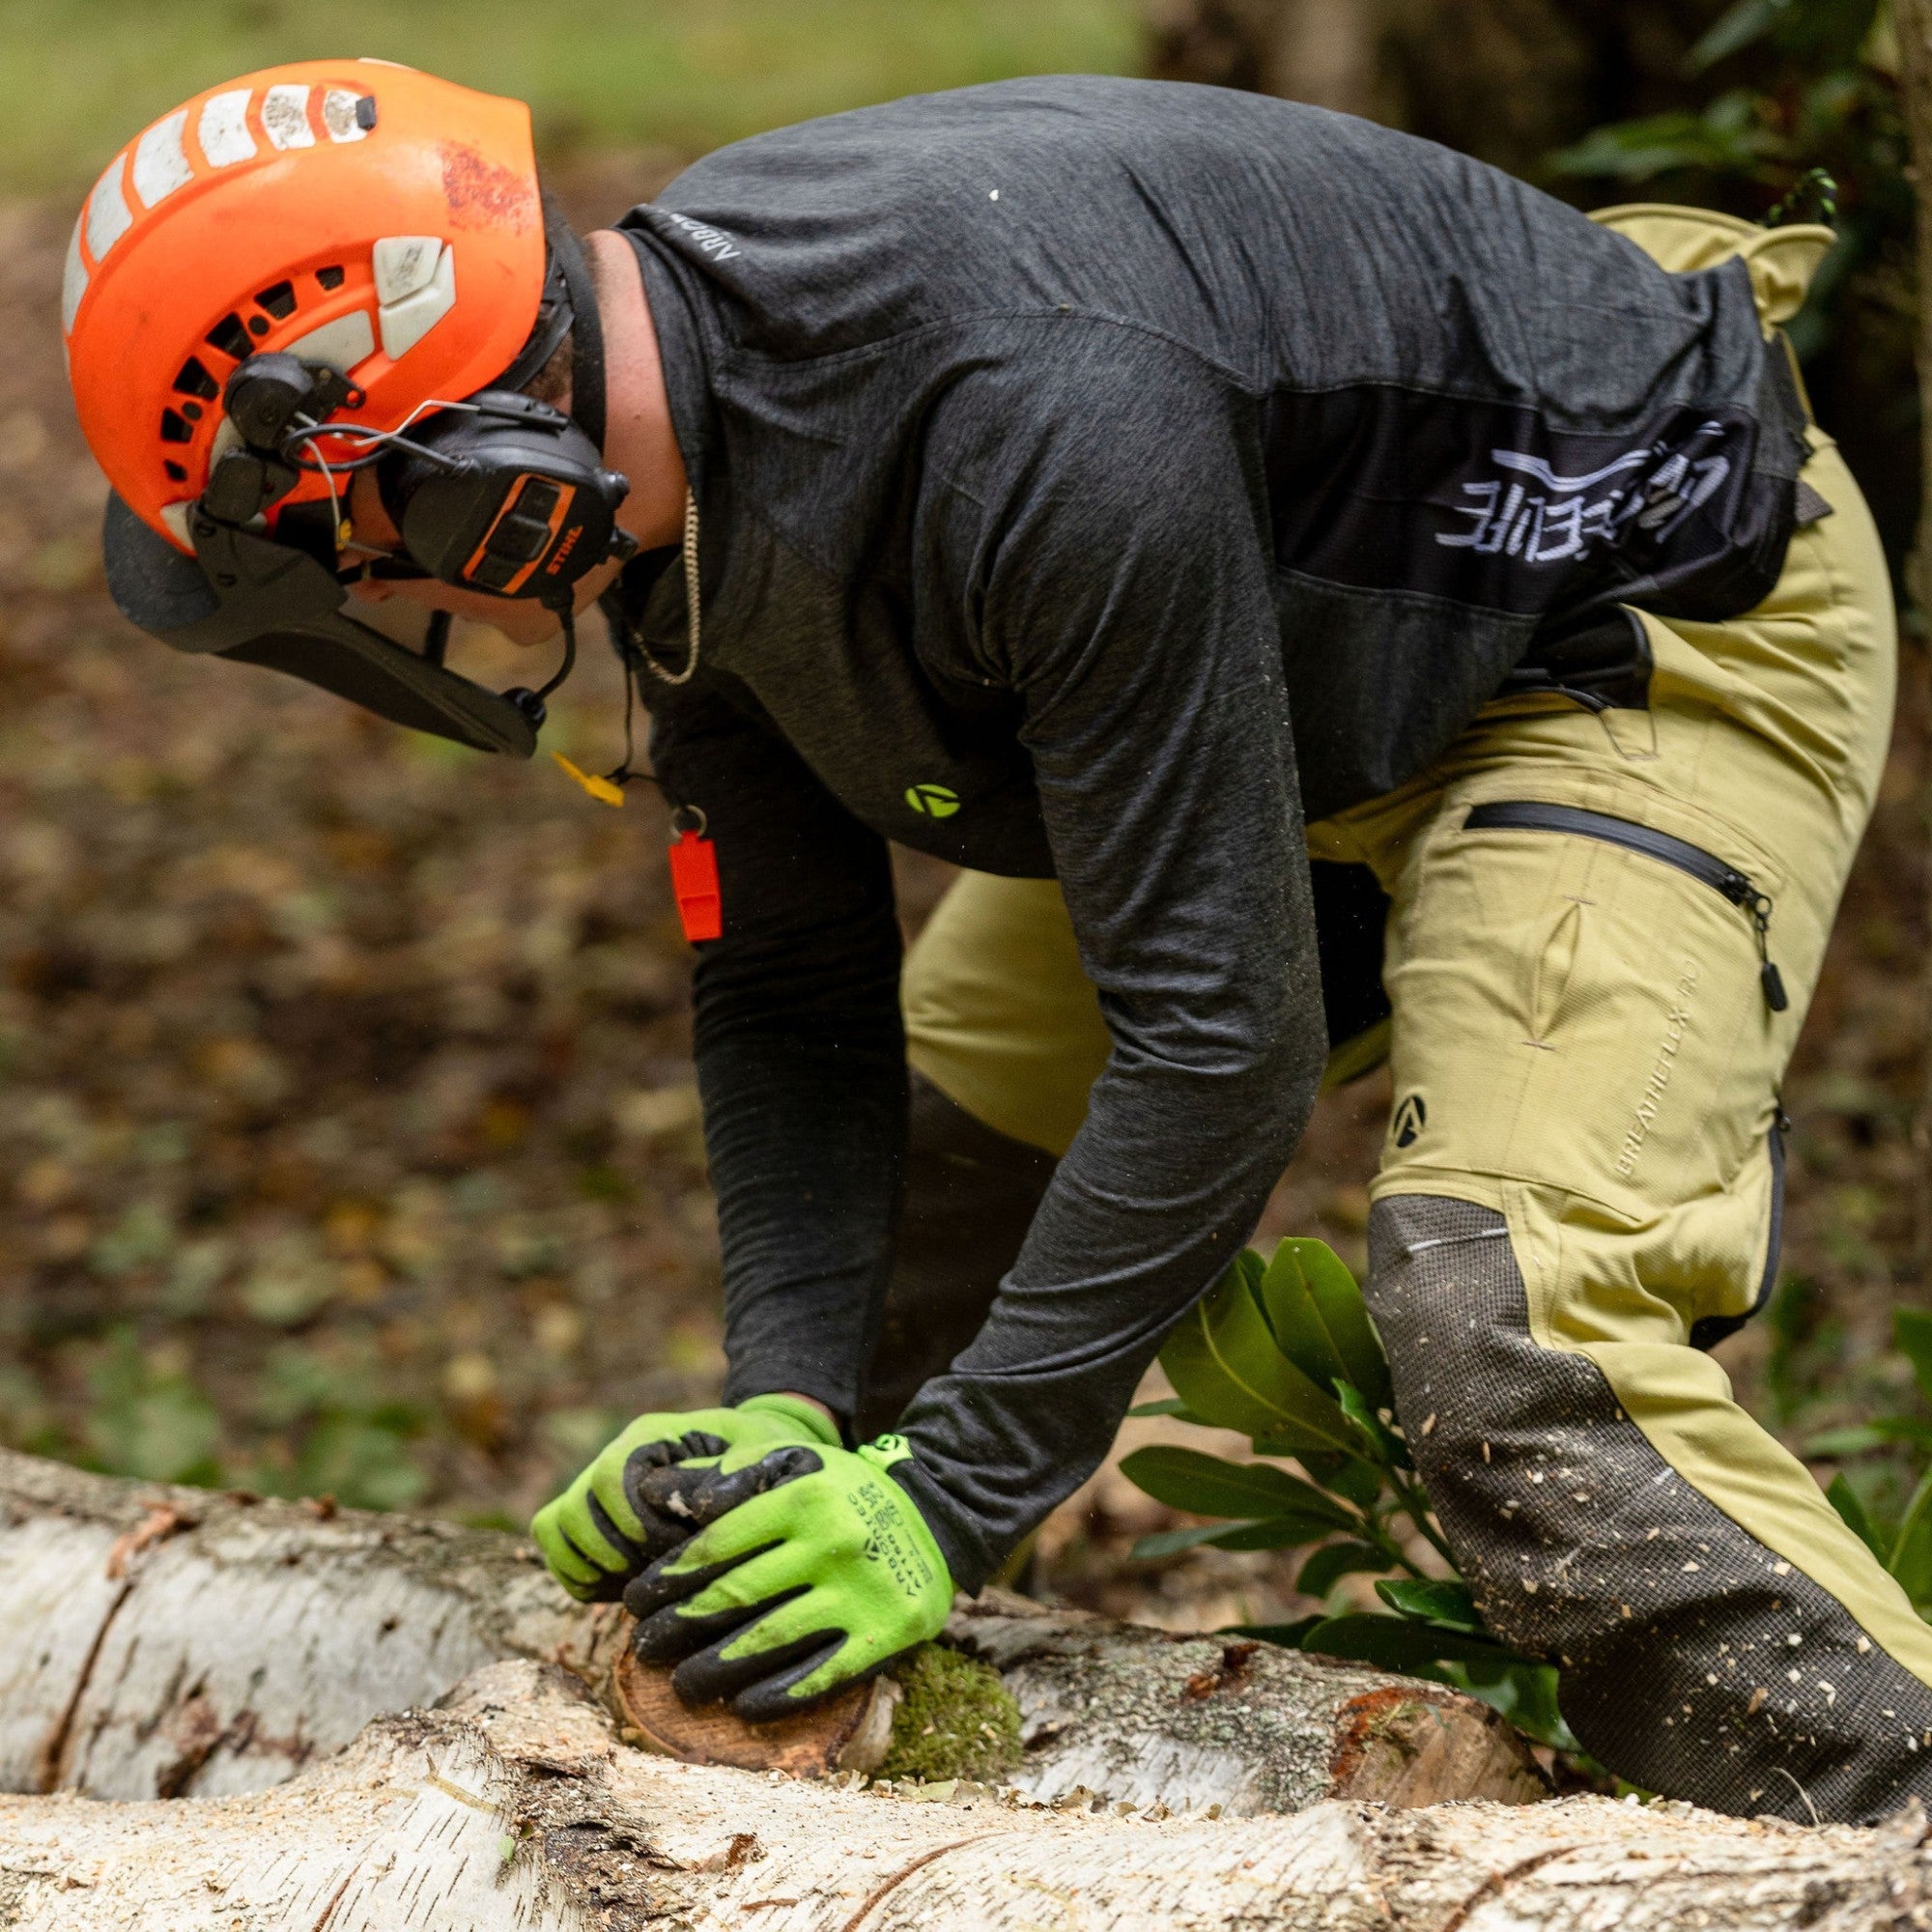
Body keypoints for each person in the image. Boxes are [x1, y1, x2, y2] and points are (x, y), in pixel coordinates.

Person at [69, 57, 1918, 1821]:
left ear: (460, 460)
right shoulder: (667, 463)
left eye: (354, 560)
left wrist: (941, 1505)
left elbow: (1221, 1041)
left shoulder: (1021, 411)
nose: (386, 608)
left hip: (1629, 605)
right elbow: (789, 992)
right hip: (1285, 662)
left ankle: (1884, 1829)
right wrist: (788, 1414)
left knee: (1503, 1313)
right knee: (935, 1223)